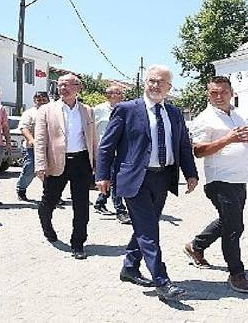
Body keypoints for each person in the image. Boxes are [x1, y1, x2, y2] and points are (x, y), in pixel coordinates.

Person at [96, 64, 198, 300]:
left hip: (163, 178)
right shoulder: (126, 109)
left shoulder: (173, 112)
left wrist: (190, 173)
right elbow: (107, 146)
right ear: (145, 83)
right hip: (134, 179)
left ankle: (130, 268)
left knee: (144, 227)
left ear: (169, 87)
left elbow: (183, 145)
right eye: (151, 80)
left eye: (160, 82)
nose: (155, 85)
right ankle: (161, 281)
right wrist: (102, 176)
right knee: (149, 231)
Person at [183, 76, 248, 294]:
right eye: (214, 93)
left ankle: (196, 246)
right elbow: (198, 151)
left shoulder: (239, 115)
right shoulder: (204, 118)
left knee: (227, 220)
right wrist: (228, 139)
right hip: (219, 180)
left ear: (232, 92)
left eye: (223, 92)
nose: (219, 96)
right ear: (208, 94)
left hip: (240, 179)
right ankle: (236, 273)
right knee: (235, 226)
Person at [34, 73, 98, 260]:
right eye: (60, 85)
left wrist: (97, 164)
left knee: (81, 205)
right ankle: (46, 225)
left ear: (78, 87)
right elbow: (40, 140)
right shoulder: (47, 110)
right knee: (49, 201)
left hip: (81, 162)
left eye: (67, 85)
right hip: (56, 161)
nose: (63, 88)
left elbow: (93, 139)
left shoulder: (87, 110)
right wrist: (40, 164)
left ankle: (78, 243)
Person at [92, 84, 131, 224]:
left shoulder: (127, 109)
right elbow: (90, 130)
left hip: (121, 151)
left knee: (115, 179)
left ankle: (100, 202)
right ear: (109, 95)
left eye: (121, 93)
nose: (122, 95)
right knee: (114, 180)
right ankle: (120, 210)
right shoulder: (98, 110)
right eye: (118, 92)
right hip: (104, 151)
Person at [15, 91, 50, 201]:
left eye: (44, 100)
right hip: (32, 148)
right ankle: (21, 189)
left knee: (50, 172)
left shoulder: (54, 112)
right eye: (39, 100)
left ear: (48, 100)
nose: (41, 102)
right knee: (30, 170)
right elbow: (23, 128)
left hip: (50, 148)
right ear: (35, 101)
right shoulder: (29, 113)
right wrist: (31, 140)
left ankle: (50, 194)